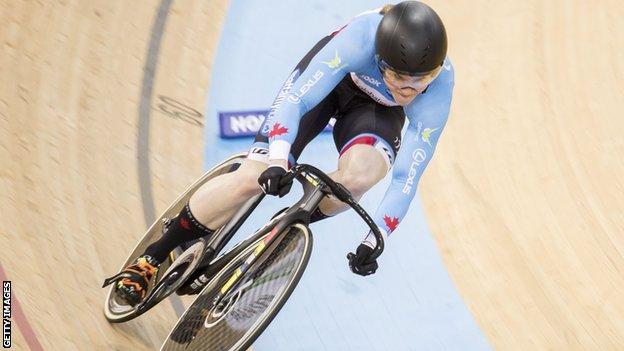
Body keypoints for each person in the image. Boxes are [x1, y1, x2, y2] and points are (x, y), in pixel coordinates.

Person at [113, 1, 454, 306]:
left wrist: (374, 238)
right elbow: (298, 100)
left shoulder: (438, 88)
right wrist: (276, 160)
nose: (408, 89)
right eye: (398, 76)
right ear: (381, 61)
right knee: (250, 178)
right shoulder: (360, 39)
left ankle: (283, 228)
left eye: (421, 79)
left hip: (376, 112)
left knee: (358, 180)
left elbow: (407, 176)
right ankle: (150, 259)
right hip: (331, 82)